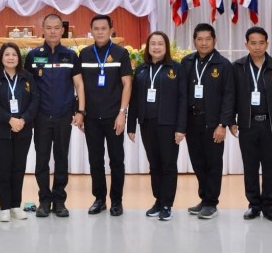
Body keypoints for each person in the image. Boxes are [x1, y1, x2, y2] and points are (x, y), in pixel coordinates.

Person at [24, 14, 86, 218]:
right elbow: (26, 87)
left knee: (61, 159)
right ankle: (44, 200)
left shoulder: (71, 56)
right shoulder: (33, 56)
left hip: (63, 117)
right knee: (41, 160)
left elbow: (79, 85)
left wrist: (81, 111)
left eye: (56, 28)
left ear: (62, 30)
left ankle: (59, 200)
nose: (52, 31)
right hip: (40, 117)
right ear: (43, 29)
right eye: (48, 28)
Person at [230, 27, 272, 222]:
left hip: (271, 125)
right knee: (250, 167)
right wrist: (231, 120)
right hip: (247, 125)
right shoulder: (237, 67)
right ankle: (254, 205)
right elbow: (230, 95)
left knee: (269, 168)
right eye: (253, 43)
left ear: (267, 44)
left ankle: (268, 206)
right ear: (246, 44)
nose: (257, 47)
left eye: (261, 43)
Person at [127, 31, 187, 222]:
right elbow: (134, 99)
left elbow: (183, 100)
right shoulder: (142, 70)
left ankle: (167, 204)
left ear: (166, 47)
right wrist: (131, 125)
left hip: (168, 124)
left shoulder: (176, 69)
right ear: (148, 47)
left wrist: (181, 128)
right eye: (153, 43)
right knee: (154, 164)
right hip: (147, 124)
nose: (156, 47)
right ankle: (158, 200)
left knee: (168, 164)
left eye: (160, 44)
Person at [79, 14, 133, 216]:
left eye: (104, 28)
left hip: (113, 116)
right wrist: (81, 112)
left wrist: (122, 113)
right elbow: (79, 86)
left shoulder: (121, 53)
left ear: (111, 30)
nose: (100, 32)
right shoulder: (84, 54)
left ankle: (116, 201)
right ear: (91, 31)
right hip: (91, 117)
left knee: (116, 160)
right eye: (96, 28)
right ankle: (99, 199)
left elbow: (127, 84)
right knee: (95, 160)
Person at [181, 23, 234, 220]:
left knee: (213, 164)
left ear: (214, 41)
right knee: (198, 162)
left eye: (208, 39)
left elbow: (229, 96)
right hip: (192, 122)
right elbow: (181, 94)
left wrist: (223, 124)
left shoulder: (224, 65)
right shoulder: (187, 62)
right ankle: (204, 199)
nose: (204, 43)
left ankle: (211, 203)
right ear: (194, 41)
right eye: (200, 39)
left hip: (213, 123)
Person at [0, 42, 40, 222]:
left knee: (18, 167)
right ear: (1, 57)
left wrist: (23, 119)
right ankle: (4, 207)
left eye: (14, 54)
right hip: (1, 130)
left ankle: (16, 205)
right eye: (7, 54)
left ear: (19, 58)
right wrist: (9, 119)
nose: (10, 58)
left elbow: (35, 100)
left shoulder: (27, 77)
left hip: (23, 129)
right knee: (3, 168)